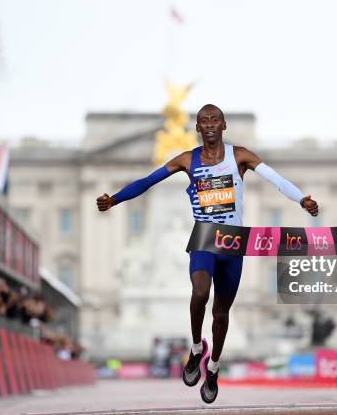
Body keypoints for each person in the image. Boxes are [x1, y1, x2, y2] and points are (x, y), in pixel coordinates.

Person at [97, 104, 318, 403]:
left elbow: (276, 180)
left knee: (221, 314)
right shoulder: (187, 160)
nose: (210, 124)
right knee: (200, 293)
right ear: (198, 128)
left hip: (233, 244)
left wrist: (301, 199)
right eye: (204, 120)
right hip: (204, 239)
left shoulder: (240, 155)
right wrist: (115, 199)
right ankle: (196, 348)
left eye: (215, 119)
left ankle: (212, 367)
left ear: (223, 125)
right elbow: (147, 182)